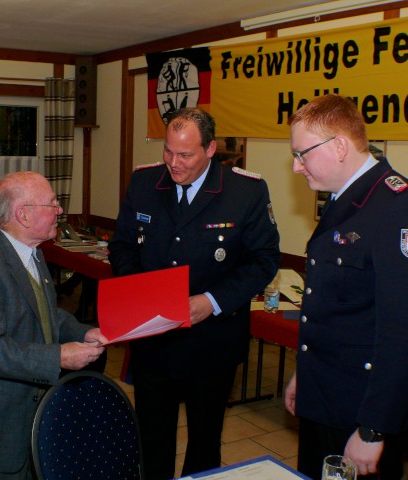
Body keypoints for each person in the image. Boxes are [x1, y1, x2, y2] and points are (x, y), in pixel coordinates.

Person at [108, 108, 280, 479]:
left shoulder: (245, 190)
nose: (173, 163)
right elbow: (122, 246)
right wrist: (139, 290)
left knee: (204, 439)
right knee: (152, 436)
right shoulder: (144, 184)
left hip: (211, 341)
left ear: (211, 149)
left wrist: (212, 302)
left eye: (185, 155)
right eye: (168, 151)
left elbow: (263, 260)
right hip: (153, 337)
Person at [284, 94, 408, 479]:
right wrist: (305, 373)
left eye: (301, 154)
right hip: (326, 395)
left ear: (339, 146)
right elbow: (334, 307)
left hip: (364, 411)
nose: (295, 167)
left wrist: (373, 428)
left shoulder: (402, 210)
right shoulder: (345, 199)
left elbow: (406, 331)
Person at [0, 171, 107, 480]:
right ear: (23, 214)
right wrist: (59, 357)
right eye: (52, 203)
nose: (60, 210)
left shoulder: (31, 253)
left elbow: (45, 313)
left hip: (31, 416)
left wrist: (82, 331)